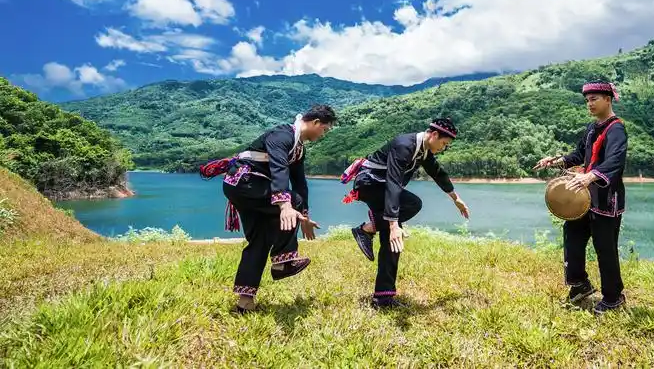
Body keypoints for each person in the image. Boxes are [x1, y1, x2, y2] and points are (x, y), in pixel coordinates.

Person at [201, 104, 337, 314]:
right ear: (316, 122)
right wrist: (285, 205)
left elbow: (300, 182)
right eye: (325, 130)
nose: (324, 135)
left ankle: (244, 303)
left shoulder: (298, 148)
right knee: (293, 199)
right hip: (244, 184)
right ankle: (283, 261)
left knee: (259, 241)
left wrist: (305, 217)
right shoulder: (282, 135)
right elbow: (278, 169)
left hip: (247, 187)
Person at [340, 117, 471, 309]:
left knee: (393, 241)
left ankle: (383, 298)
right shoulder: (404, 145)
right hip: (370, 184)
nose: (444, 148)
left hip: (383, 188)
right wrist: (393, 223)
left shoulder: (423, 151)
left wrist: (456, 199)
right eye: (444, 144)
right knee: (411, 204)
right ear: (434, 135)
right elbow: (393, 182)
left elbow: (438, 173)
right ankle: (368, 228)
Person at [534, 80, 628, 314]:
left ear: (608, 99)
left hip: (606, 199)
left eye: (594, 99)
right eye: (587, 100)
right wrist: (557, 161)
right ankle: (580, 285)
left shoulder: (616, 128)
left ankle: (614, 297)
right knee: (572, 233)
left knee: (604, 247)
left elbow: (615, 161)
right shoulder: (591, 128)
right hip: (584, 196)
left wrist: (590, 176)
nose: (590, 104)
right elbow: (578, 154)